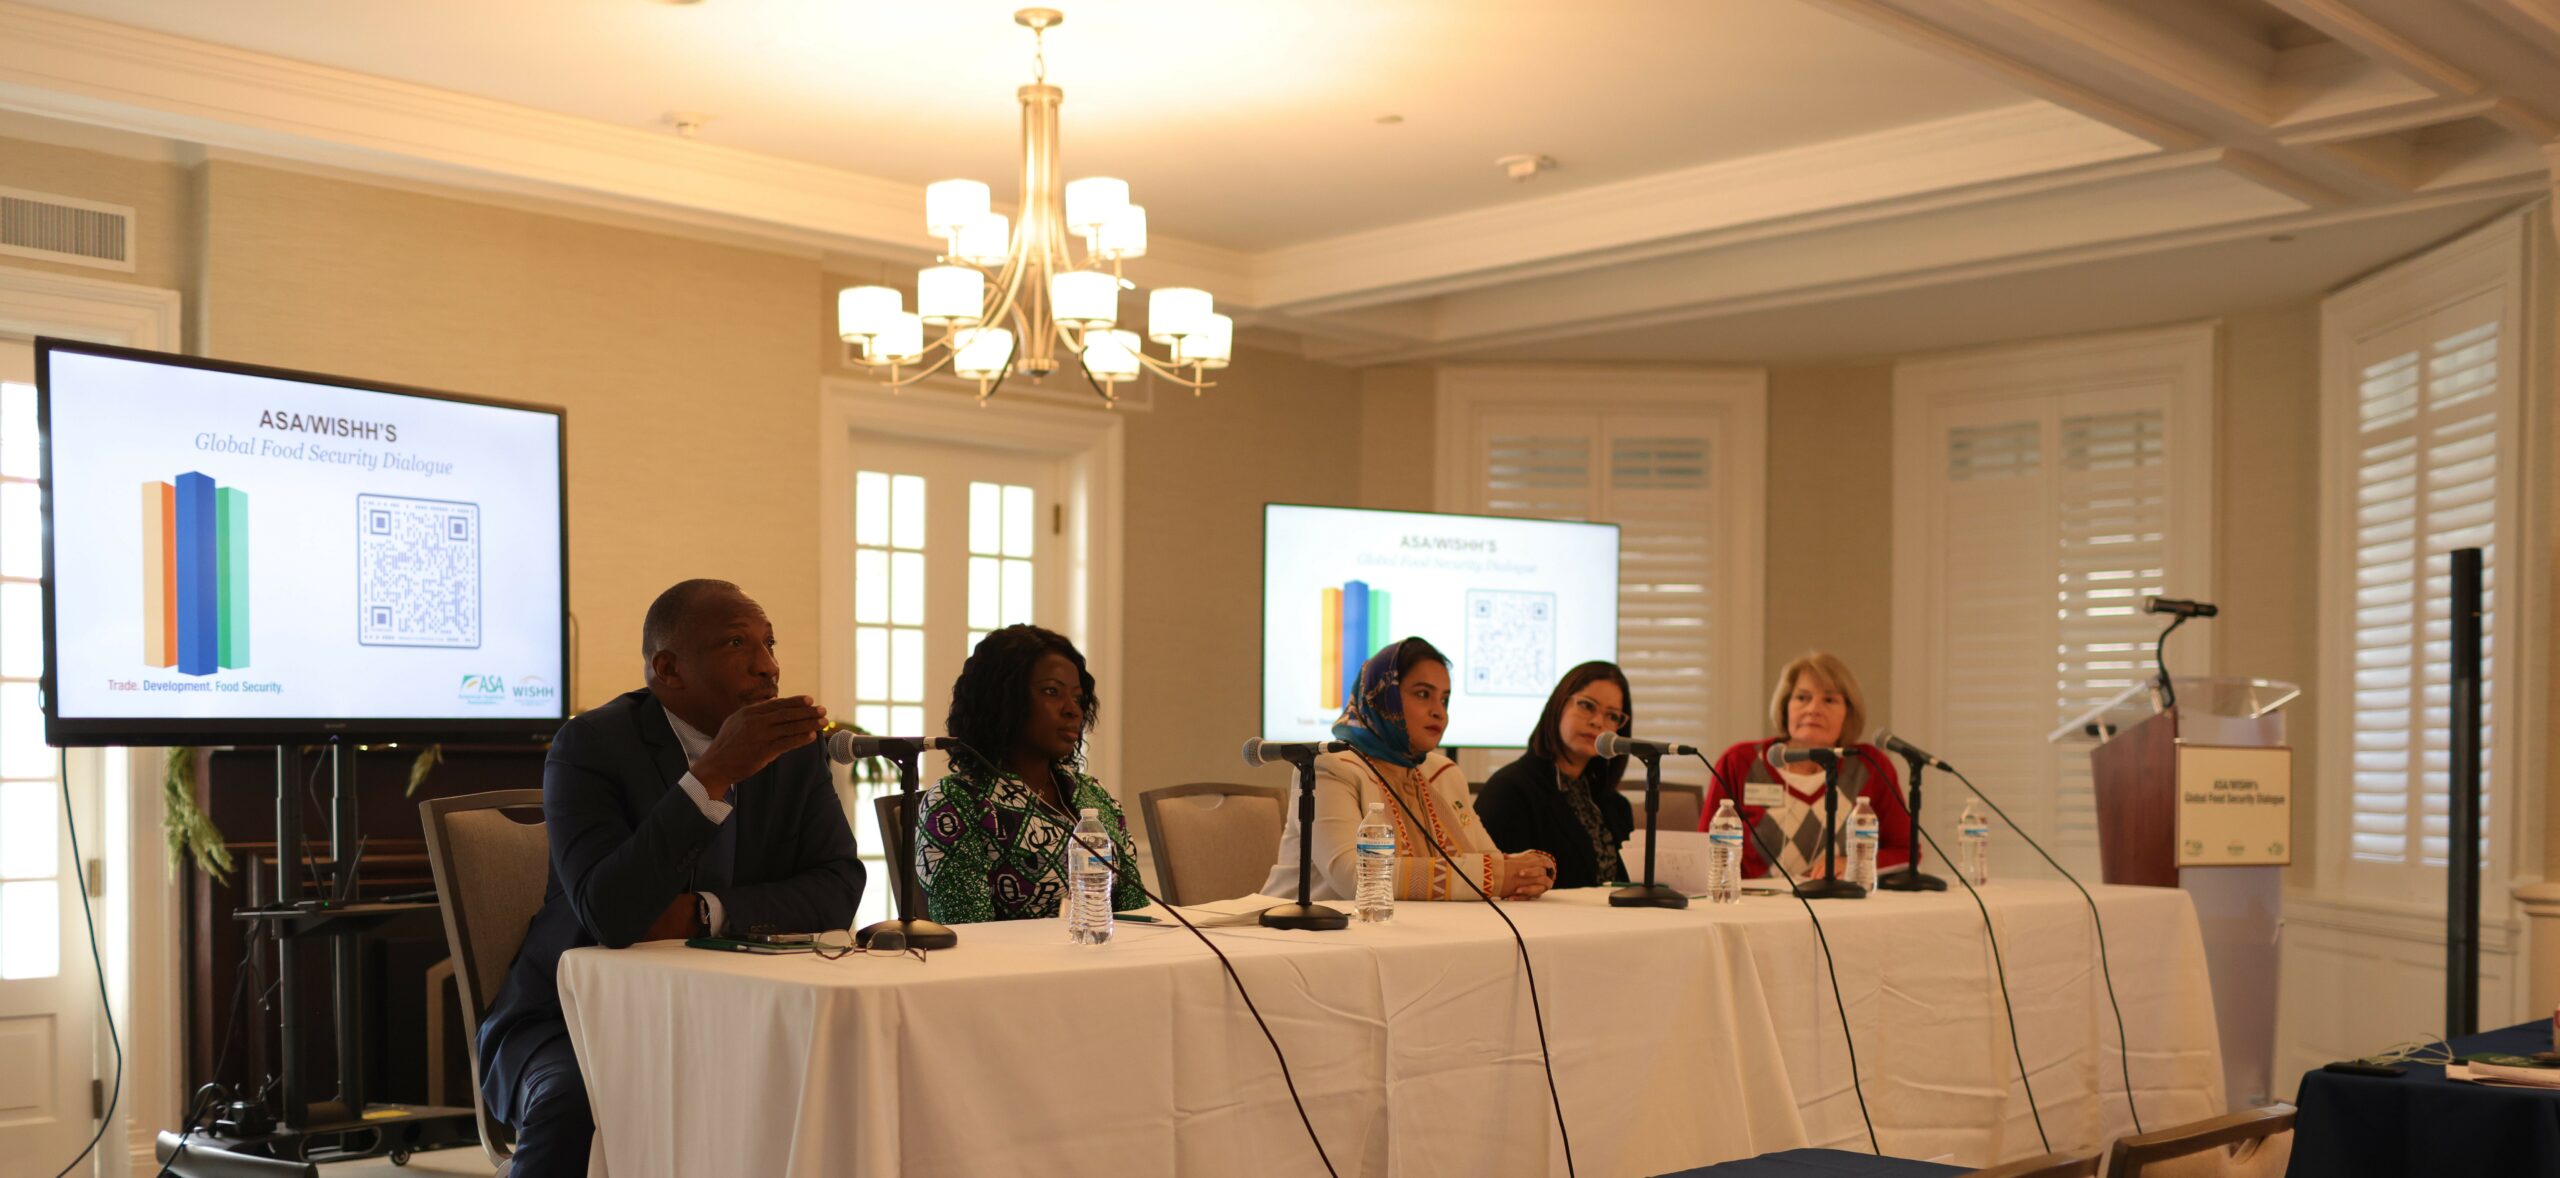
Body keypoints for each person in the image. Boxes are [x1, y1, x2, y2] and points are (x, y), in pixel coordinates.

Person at [477, 579, 865, 1178]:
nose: (768, 667)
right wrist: (710, 776)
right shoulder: (590, 745)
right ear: (668, 668)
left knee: (848, 1086)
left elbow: (839, 887)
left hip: (741, 1012)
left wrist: (704, 914)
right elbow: (610, 914)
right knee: (578, 1104)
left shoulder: (794, 751)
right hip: (573, 1020)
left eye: (770, 643)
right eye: (739, 643)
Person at [1262, 636, 1557, 902]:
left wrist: (1525, 872)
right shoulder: (1329, 767)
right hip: (1305, 942)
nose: (1438, 711)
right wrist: (1498, 877)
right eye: (1422, 694)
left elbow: (1488, 859)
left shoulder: (1443, 773)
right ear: (1382, 697)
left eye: (1444, 699)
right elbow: (1357, 878)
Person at [915, 624, 1145, 923]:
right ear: (1002, 700)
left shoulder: (1094, 795)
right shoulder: (956, 802)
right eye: (1052, 692)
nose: (1072, 711)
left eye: (1077, 698)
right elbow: (968, 937)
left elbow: (1137, 914)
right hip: (1012, 968)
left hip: (1105, 961)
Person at [1700, 651, 1910, 881]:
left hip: (1838, 908)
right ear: (1785, 706)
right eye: (1802, 698)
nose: (1813, 709)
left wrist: (1854, 863)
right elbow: (1703, 852)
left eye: (1829, 700)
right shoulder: (1739, 762)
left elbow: (1905, 851)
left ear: (1848, 713)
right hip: (1754, 908)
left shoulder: (1869, 767)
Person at [1476, 662, 1638, 889]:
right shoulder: (1510, 791)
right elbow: (1496, 885)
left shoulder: (1616, 806)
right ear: (1559, 705)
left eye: (1612, 716)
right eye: (1587, 705)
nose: (1597, 722)